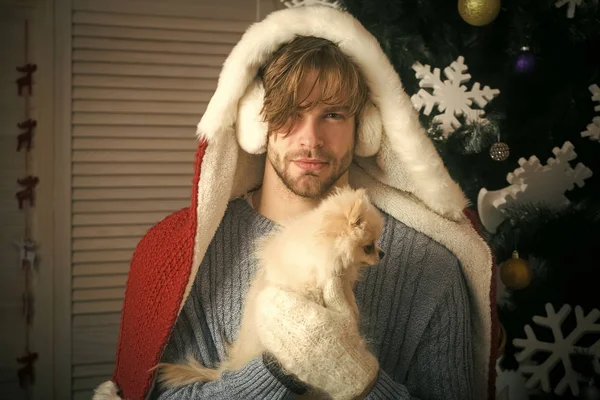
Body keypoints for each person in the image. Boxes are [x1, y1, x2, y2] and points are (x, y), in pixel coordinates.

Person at [93, 5, 497, 400]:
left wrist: (359, 379)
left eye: (334, 114)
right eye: (291, 112)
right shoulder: (183, 258)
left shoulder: (434, 270)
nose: (311, 138)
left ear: (366, 128)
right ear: (256, 122)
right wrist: (276, 372)